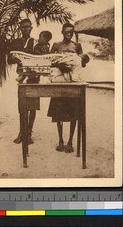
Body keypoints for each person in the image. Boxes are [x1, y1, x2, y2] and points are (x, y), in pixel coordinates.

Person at [47, 22, 87, 153]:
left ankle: (70, 142)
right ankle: (60, 141)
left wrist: (82, 61)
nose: (69, 34)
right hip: (59, 83)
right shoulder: (56, 45)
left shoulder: (77, 46)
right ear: (62, 32)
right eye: (66, 31)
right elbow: (49, 62)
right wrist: (60, 66)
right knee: (58, 113)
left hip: (72, 83)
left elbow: (81, 64)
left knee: (74, 112)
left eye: (71, 32)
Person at [8, 18, 39, 145]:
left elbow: (40, 56)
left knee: (33, 107)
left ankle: (29, 133)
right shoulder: (15, 42)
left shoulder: (36, 42)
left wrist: (26, 54)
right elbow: (9, 60)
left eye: (28, 27)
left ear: (31, 28)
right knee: (22, 106)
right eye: (23, 27)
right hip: (21, 75)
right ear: (20, 28)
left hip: (34, 76)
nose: (26, 29)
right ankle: (22, 132)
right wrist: (20, 57)